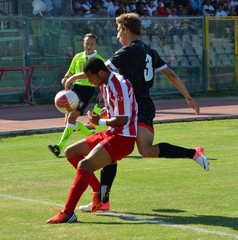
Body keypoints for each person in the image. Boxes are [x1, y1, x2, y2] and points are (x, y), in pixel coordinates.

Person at [64, 13, 209, 212]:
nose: (117, 36)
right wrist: (188, 98)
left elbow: (99, 70)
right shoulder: (150, 51)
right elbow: (171, 74)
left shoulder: (127, 51)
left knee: (144, 150)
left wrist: (73, 78)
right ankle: (103, 201)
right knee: (111, 148)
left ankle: (193, 153)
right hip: (134, 104)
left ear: (125, 29)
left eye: (118, 31)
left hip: (139, 107)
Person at [46, 57, 138, 224]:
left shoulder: (119, 84)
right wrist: (105, 112)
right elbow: (117, 109)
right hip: (112, 133)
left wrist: (99, 122)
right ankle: (97, 193)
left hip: (123, 138)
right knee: (71, 152)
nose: (89, 81)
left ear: (101, 72)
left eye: (90, 78)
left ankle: (68, 213)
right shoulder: (104, 83)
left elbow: (123, 119)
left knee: (84, 165)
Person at [48, 33, 105, 157]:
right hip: (75, 89)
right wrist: (65, 79)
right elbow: (70, 72)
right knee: (69, 121)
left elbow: (104, 76)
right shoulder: (77, 57)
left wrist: (102, 90)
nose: (89, 46)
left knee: (71, 118)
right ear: (83, 44)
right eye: (87, 43)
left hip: (88, 90)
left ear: (96, 45)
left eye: (91, 44)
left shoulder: (99, 60)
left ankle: (58, 147)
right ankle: (95, 138)